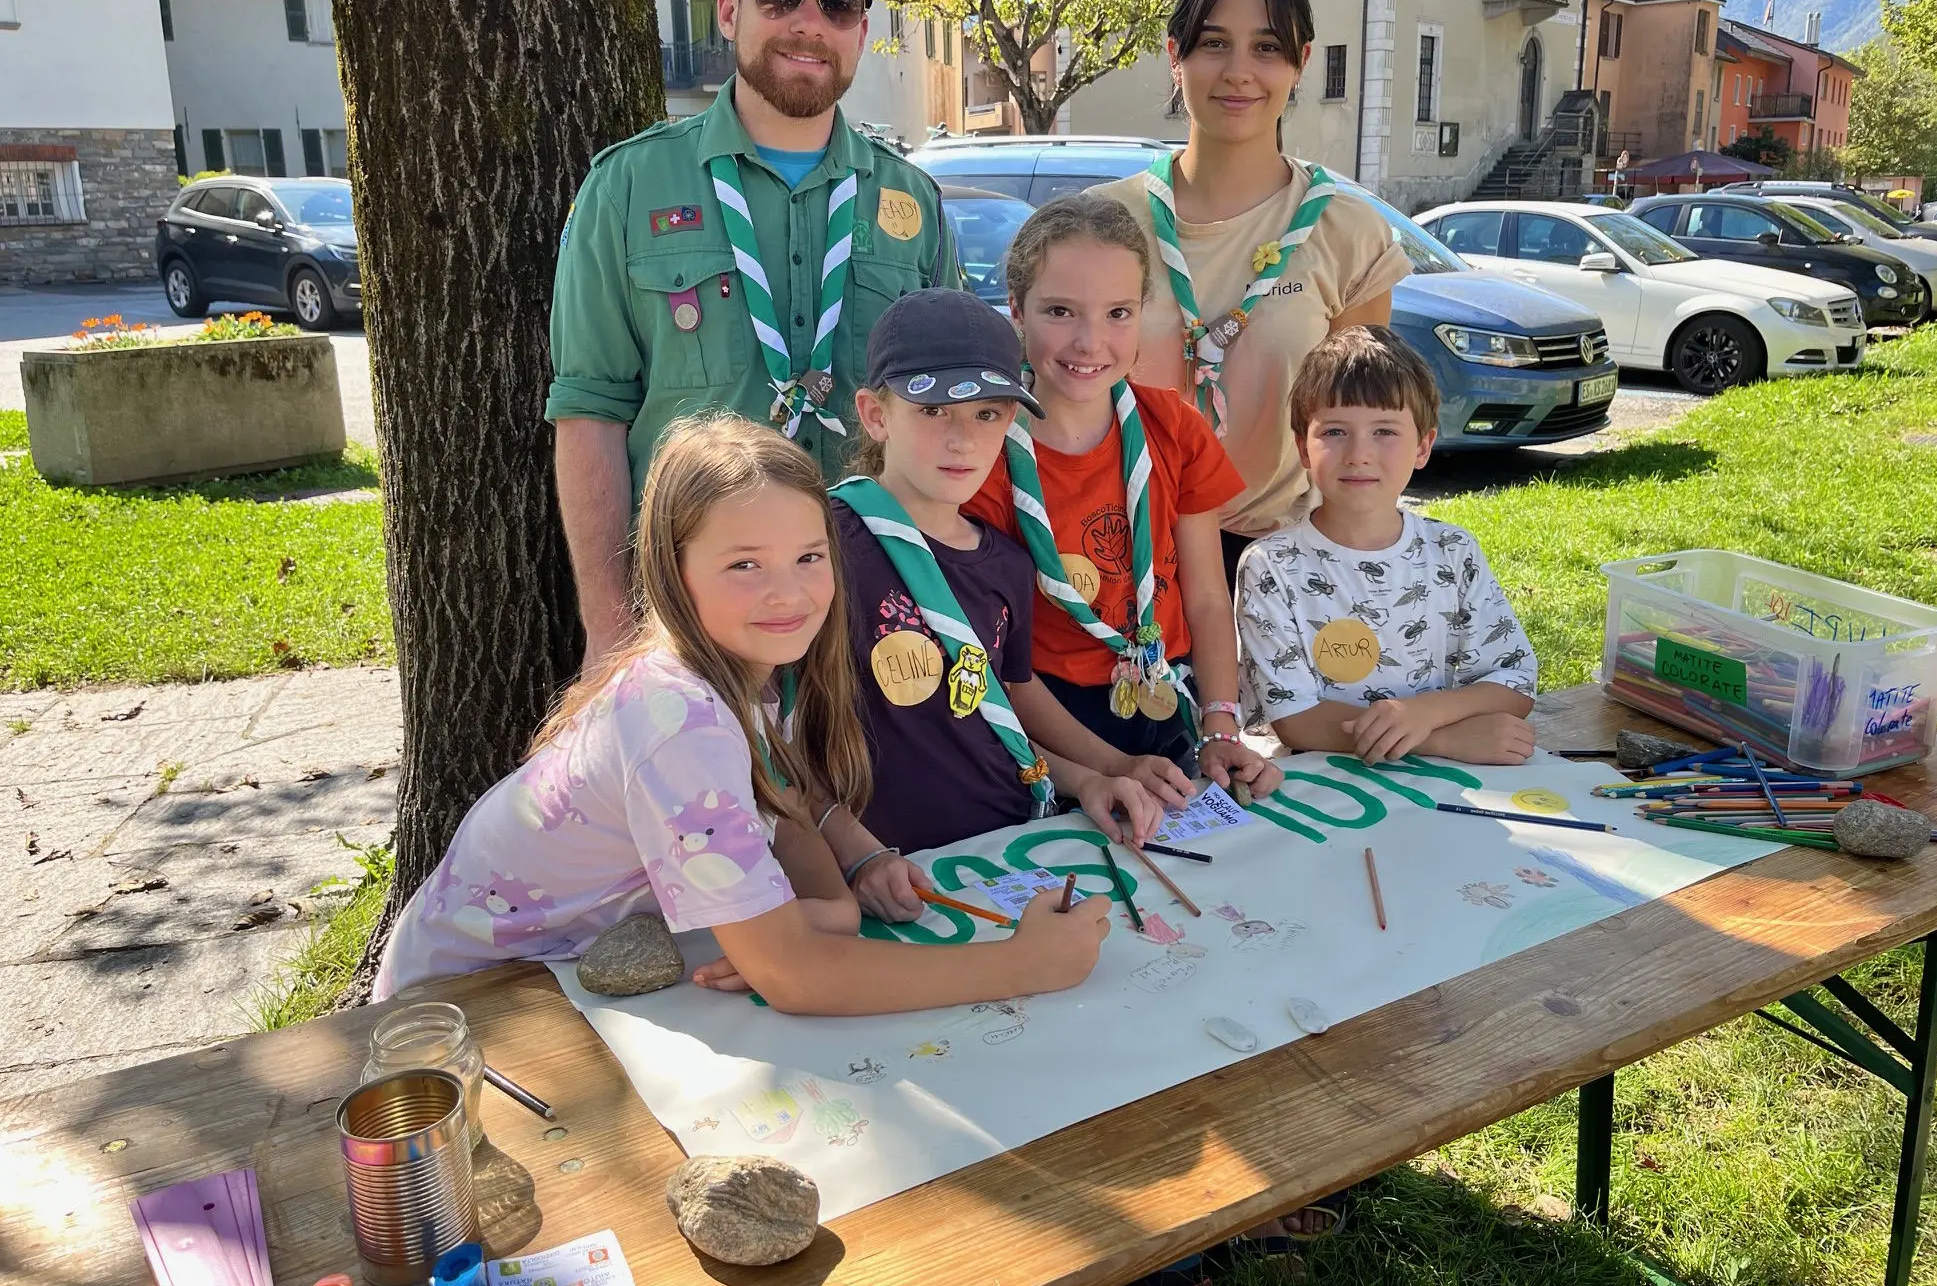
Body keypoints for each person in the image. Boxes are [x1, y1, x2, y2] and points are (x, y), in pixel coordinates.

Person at [374, 415, 1110, 1011]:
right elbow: (798, 978)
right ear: (673, 568)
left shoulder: (749, 676)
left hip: (575, 978)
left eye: (809, 558)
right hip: (468, 1007)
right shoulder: (676, 719)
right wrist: (1021, 965)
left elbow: (789, 808)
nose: (788, 594)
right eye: (744, 564)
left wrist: (838, 898)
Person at [547, 0, 961, 670]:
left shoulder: (912, 201)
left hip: (876, 614)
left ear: (861, 33)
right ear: (730, 10)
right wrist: (610, 635)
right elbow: (590, 417)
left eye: (838, 2)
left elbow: (955, 416)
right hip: (694, 623)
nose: (809, 20)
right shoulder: (627, 189)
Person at [819, 288, 1196, 924]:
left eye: (988, 415)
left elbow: (1013, 694)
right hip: (896, 866)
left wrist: (1096, 776)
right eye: (934, 410)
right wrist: (854, 853)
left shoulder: (1006, 562)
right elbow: (774, 729)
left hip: (1012, 844)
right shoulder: (821, 546)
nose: (963, 439)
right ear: (874, 415)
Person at [1090, 0, 1412, 589]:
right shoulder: (1101, 223)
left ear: (1301, 63)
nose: (1239, 72)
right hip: (1120, 545)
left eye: (1267, 48)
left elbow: (1358, 423)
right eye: (1214, 44)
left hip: (1285, 559)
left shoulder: (1348, 233)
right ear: (1175, 55)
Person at [963, 195, 1281, 805]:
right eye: (1060, 311)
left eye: (1117, 313)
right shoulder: (983, 455)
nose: (1090, 341)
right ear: (1016, 312)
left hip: (1166, 698)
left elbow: (1209, 597)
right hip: (1051, 726)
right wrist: (1107, 766)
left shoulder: (1175, 428)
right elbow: (997, 661)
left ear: (1142, 316)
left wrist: (1219, 724)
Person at [1236, 327, 1539, 764]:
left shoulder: (1454, 552)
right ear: (1303, 447)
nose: (1359, 453)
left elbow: (1515, 681)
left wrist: (1424, 712)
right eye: (1336, 432)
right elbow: (1295, 719)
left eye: (1384, 431)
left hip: (1438, 791)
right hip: (1318, 791)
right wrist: (1438, 738)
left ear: (1423, 446)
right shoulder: (1271, 566)